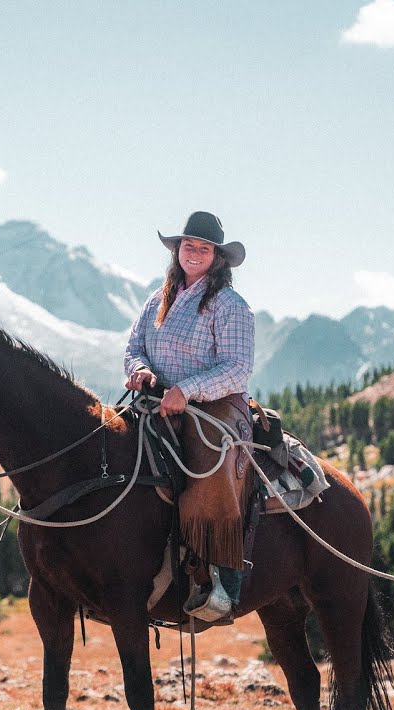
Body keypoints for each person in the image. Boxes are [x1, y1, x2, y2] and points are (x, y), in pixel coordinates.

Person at [124, 210, 256, 621]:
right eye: (188, 245)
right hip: (158, 398)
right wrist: (139, 370)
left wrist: (188, 389)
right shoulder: (157, 299)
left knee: (209, 462)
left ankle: (222, 583)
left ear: (217, 257)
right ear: (177, 250)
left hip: (215, 403)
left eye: (203, 248)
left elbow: (238, 367)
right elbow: (134, 346)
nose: (194, 253)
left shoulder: (230, 305)